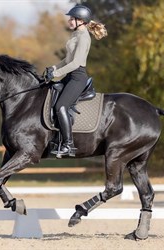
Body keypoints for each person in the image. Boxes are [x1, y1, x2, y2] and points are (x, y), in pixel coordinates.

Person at [44, 4, 107, 157]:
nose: (70, 21)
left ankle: (68, 145)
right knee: (50, 93)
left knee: (61, 106)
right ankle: (55, 138)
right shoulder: (76, 34)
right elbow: (67, 59)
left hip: (77, 77)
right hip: (69, 75)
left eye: (73, 19)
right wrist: (53, 67)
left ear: (81, 21)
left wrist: (57, 73)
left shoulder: (84, 37)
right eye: (70, 18)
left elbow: (76, 63)